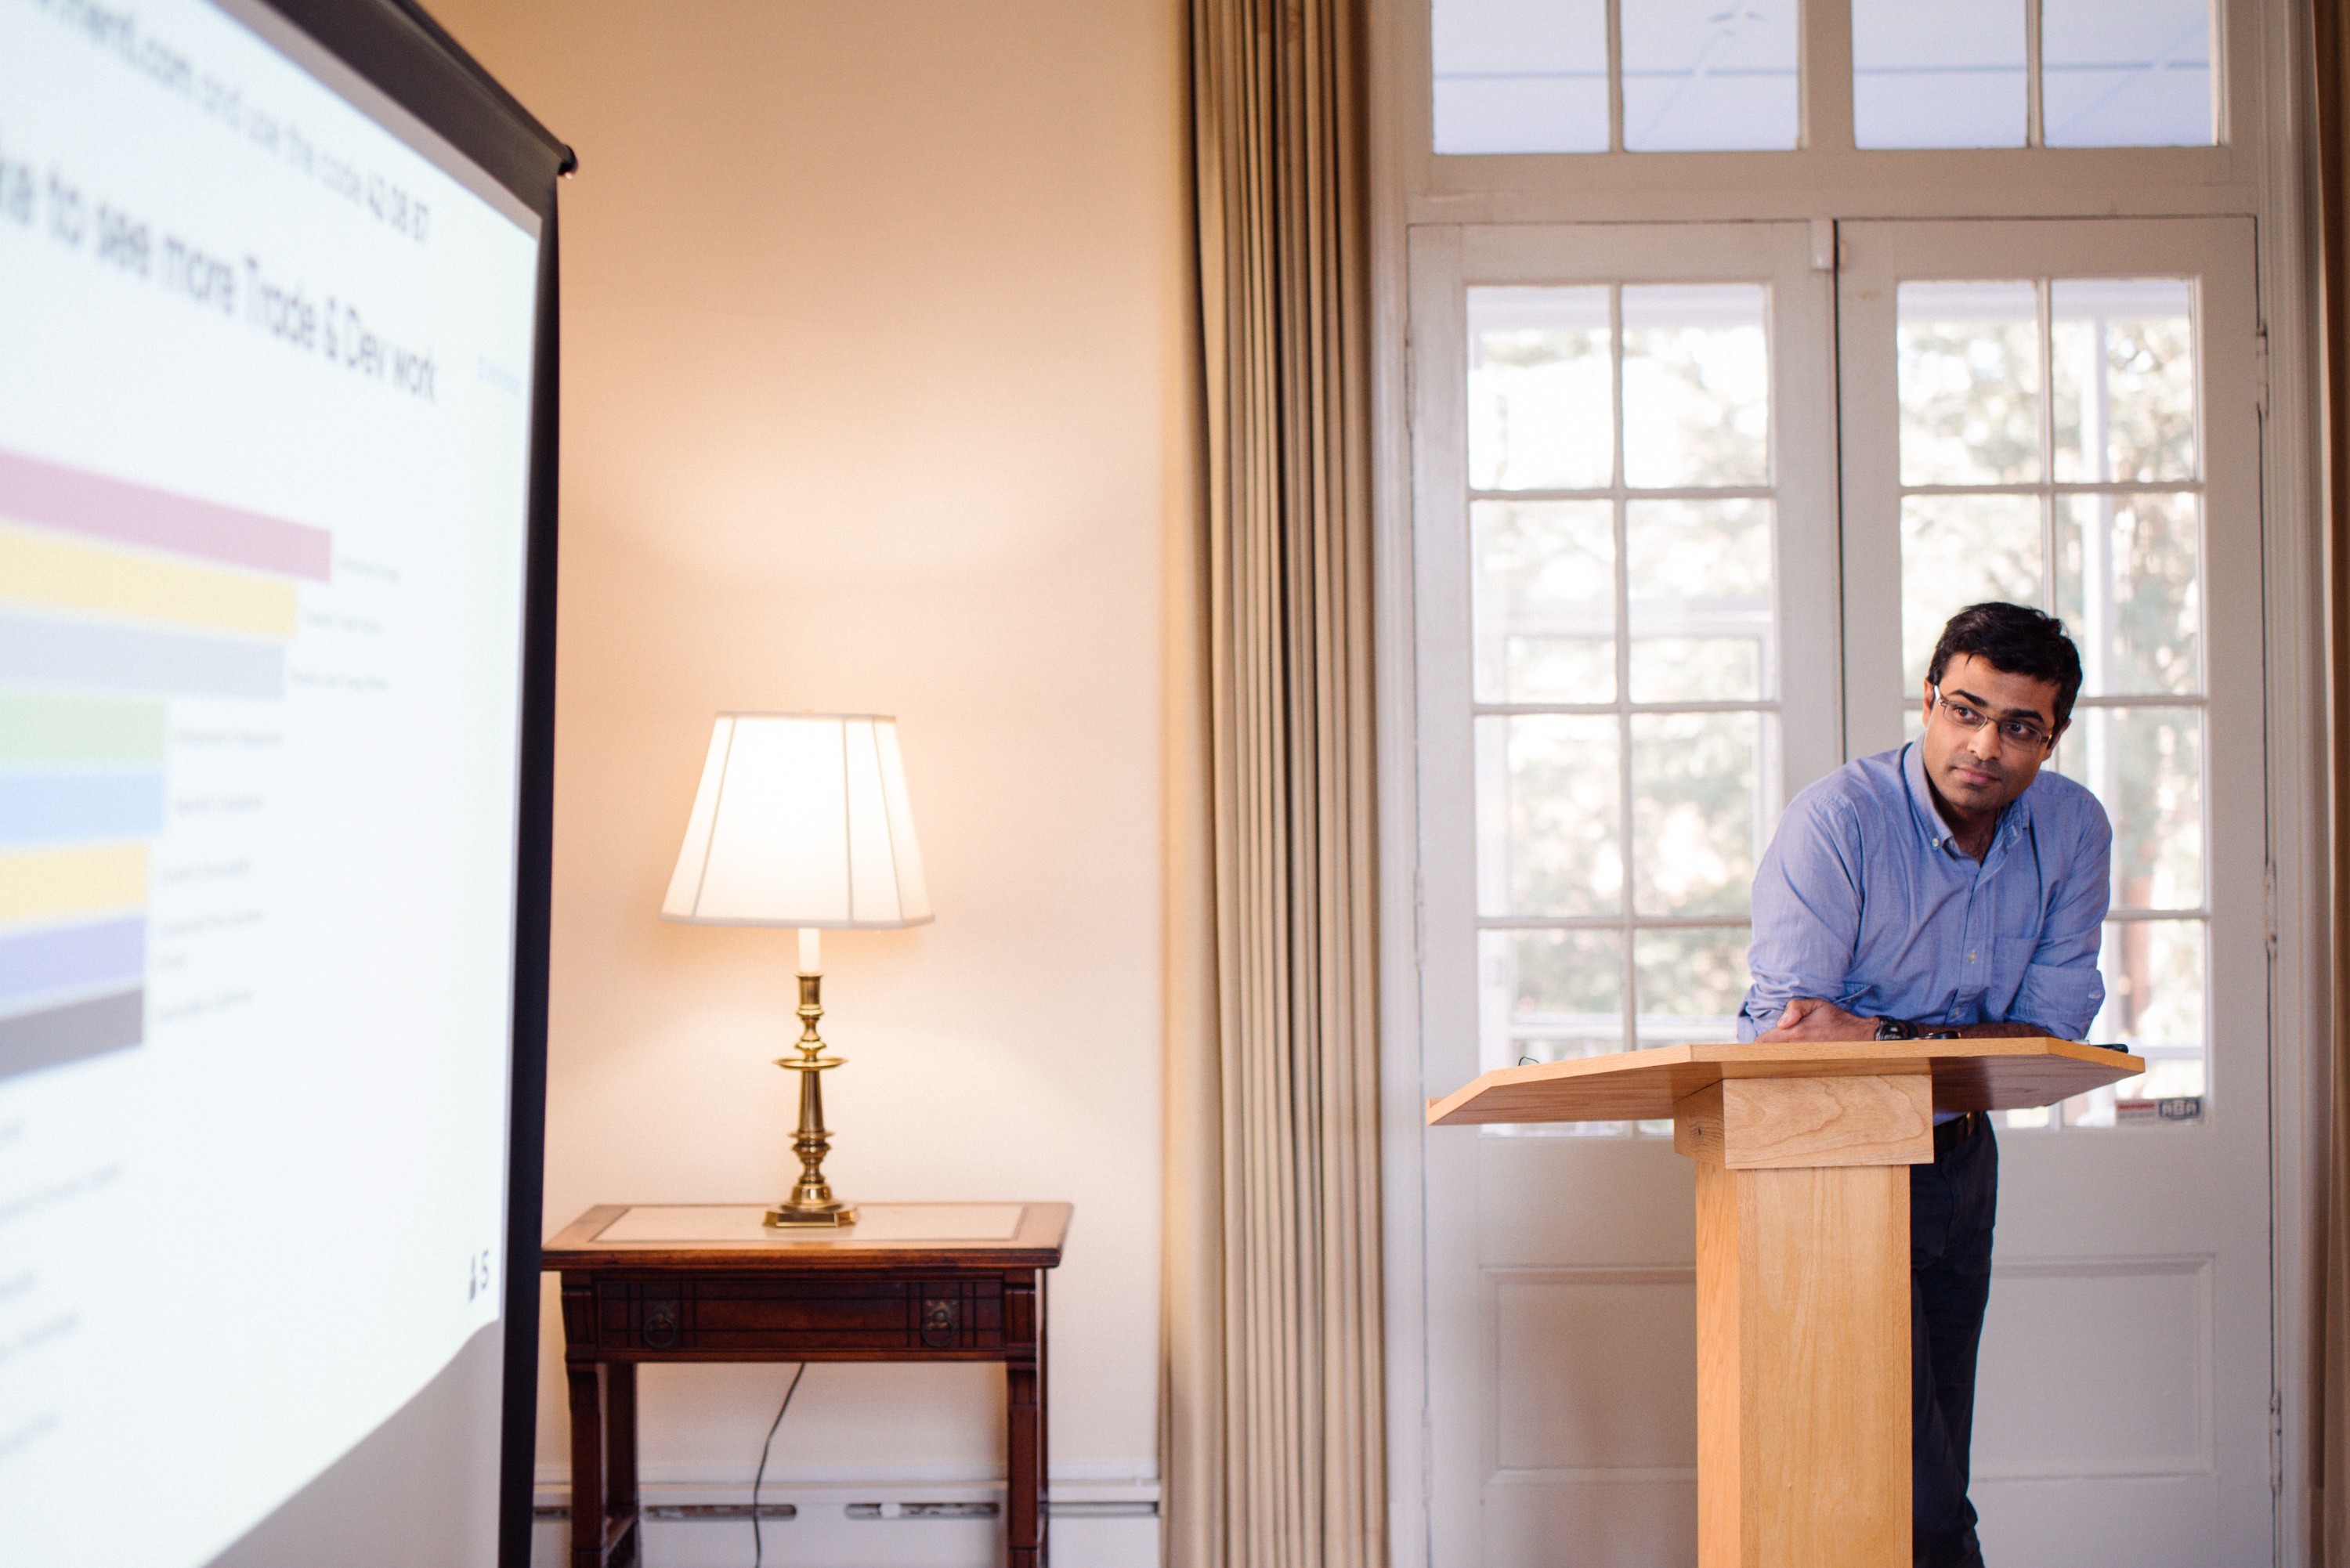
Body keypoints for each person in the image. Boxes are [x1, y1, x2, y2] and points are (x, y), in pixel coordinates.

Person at [1737, 601, 2111, 1568]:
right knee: (1913, 1493)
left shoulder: (2071, 830)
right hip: (1830, 1164)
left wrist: (1882, 1030)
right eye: (1965, 709)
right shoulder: (1840, 821)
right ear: (1930, 698)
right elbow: (1795, 1040)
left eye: (2020, 726)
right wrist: (1951, 1045)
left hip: (1960, 1159)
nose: (1984, 745)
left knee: (1933, 1463)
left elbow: (2050, 1041)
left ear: (2052, 737)